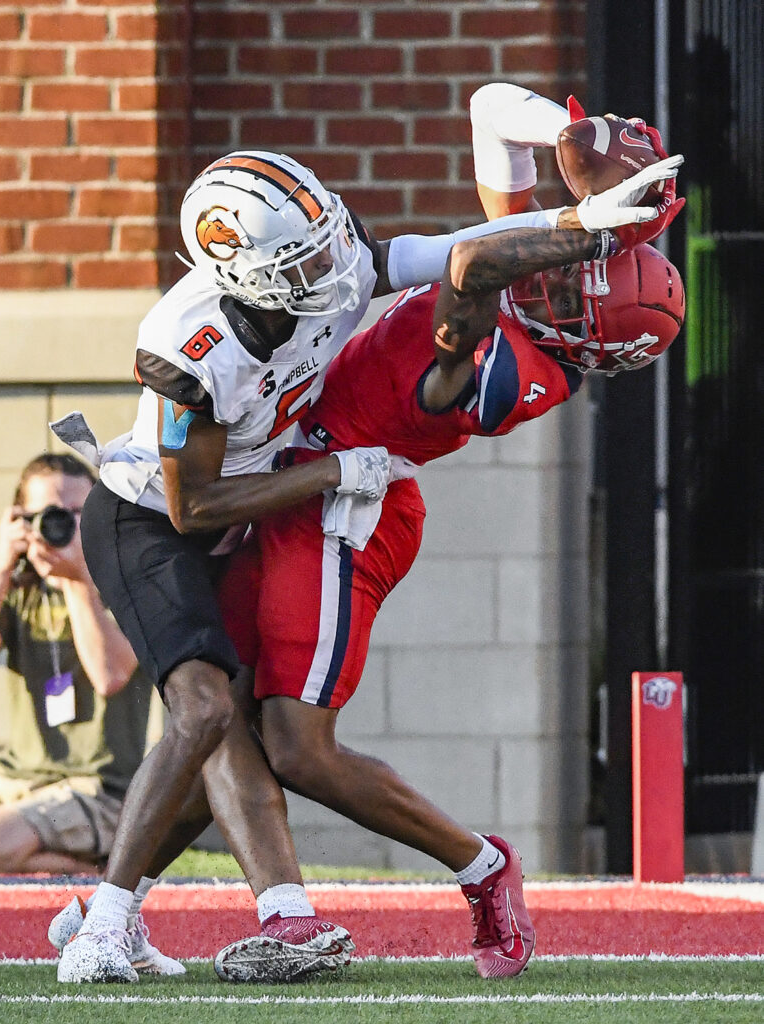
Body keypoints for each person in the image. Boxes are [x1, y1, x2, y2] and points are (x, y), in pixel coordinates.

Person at [51, 147, 680, 984]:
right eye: (558, 279)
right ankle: (129, 911)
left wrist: (579, 232)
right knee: (219, 719)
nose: (547, 289)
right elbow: (488, 184)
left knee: (294, 746)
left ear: (587, 344)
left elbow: (474, 260)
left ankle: (476, 867)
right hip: (279, 493)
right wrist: (577, 200)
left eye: (567, 298)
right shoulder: (198, 337)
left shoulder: (506, 369)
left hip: (343, 510)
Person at [0, 456, 164, 900]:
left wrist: (78, 580)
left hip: (101, 788)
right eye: (44, 514)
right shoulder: (19, 589)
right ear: (21, 518)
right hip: (13, 778)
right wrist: (0, 566)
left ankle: (106, 880)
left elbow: (110, 675)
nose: (59, 523)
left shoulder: (128, 584)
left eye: (75, 513)